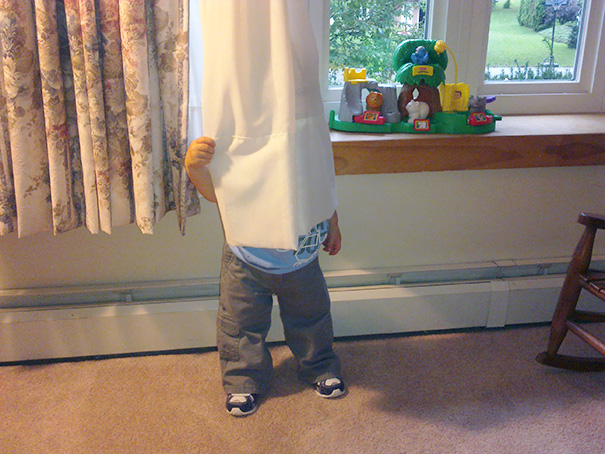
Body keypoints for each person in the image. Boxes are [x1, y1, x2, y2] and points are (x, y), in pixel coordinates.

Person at [185, 137, 345, 417]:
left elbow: (323, 191)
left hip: (302, 261)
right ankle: (243, 378)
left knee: (312, 318)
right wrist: (195, 167)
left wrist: (333, 224)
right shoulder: (245, 155)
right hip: (246, 262)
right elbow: (216, 192)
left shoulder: (306, 145)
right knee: (240, 324)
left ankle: (319, 365)